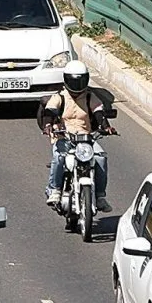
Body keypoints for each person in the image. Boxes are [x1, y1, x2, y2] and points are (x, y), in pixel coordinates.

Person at [39, 60, 117, 211]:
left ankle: (100, 196)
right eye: (74, 81)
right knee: (59, 157)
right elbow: (49, 111)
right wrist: (49, 125)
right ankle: (54, 190)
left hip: (85, 138)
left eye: (80, 81)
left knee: (101, 157)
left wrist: (106, 127)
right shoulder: (59, 97)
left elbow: (99, 112)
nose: (77, 86)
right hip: (64, 137)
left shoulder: (89, 97)